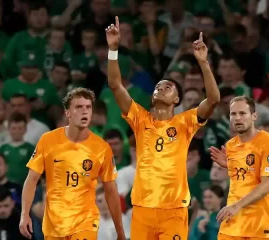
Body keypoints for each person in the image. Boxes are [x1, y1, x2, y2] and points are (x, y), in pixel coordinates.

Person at [105, 16, 220, 240]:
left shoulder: (185, 121)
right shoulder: (140, 119)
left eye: (168, 87)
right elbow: (115, 85)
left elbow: (214, 99)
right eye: (158, 86)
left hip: (173, 209)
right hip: (143, 208)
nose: (161, 87)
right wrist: (113, 50)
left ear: (177, 99)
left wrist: (204, 63)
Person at [19, 88, 126, 240]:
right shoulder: (48, 141)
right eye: (78, 107)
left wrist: (119, 229)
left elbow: (111, 190)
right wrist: (24, 214)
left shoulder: (101, 148)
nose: (84, 111)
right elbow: (32, 179)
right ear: (67, 113)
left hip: (85, 223)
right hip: (55, 223)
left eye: (88, 107)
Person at [209, 96, 269, 240]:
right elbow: (243, 180)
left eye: (242, 113)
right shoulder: (230, 145)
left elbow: (268, 183)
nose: (237, 118)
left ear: (254, 116)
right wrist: (230, 166)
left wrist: (237, 205)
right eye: (233, 114)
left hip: (259, 226)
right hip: (232, 225)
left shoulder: (267, 141)